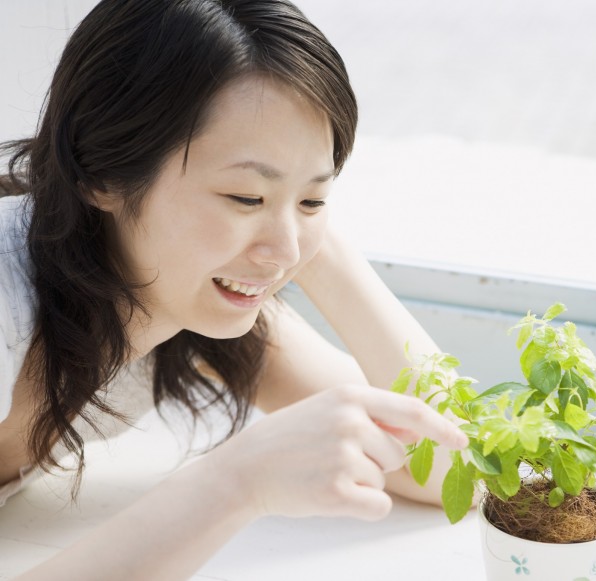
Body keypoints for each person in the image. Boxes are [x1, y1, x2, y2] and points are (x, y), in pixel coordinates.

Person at [0, 1, 468, 579]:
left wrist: (321, 249)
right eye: (245, 197)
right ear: (98, 173)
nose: (289, 249)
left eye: (315, 200)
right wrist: (234, 482)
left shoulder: (189, 298)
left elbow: (453, 468)